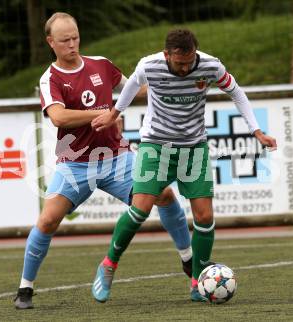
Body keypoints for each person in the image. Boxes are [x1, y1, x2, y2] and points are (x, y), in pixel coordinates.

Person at [14, 13, 194, 309]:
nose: (72, 44)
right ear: (51, 42)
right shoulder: (51, 78)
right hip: (75, 164)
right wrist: (106, 112)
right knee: (47, 221)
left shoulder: (101, 65)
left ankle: (188, 261)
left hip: (117, 158)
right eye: (64, 40)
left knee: (164, 194)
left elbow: (134, 90)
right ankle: (25, 289)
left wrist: (175, 83)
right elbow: (58, 116)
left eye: (75, 37)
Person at [91, 28, 277, 303]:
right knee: (140, 209)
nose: (185, 68)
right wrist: (115, 113)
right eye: (179, 63)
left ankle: (197, 281)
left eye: (189, 62)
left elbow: (236, 92)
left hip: (194, 147)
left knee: (204, 217)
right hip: (155, 145)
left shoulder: (210, 66)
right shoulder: (149, 66)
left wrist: (256, 130)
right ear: (167, 55)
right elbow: (132, 85)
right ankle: (108, 265)